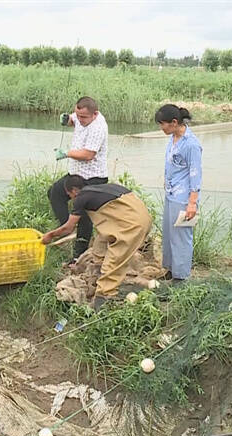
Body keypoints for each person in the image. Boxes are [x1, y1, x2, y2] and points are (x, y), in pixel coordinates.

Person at [41, 175, 151, 307]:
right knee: (101, 241)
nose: (70, 198)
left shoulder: (81, 197)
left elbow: (68, 228)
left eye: (69, 194)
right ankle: (99, 271)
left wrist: (50, 236)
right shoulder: (101, 190)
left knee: (115, 259)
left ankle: (103, 298)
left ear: (75, 190)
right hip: (140, 215)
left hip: (133, 224)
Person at [49, 96, 109, 261]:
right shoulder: (81, 115)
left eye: (83, 117)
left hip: (92, 177)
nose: (80, 119)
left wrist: (66, 153)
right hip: (76, 173)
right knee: (55, 192)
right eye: (78, 115)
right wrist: (68, 119)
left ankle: (78, 256)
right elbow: (73, 120)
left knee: (83, 215)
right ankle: (67, 227)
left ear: (95, 114)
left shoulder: (98, 128)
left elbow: (88, 155)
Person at [155, 104, 202, 282]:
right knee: (168, 234)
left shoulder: (191, 145)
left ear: (174, 122)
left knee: (181, 237)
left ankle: (181, 277)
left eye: (163, 124)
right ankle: (170, 269)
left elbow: (195, 174)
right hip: (171, 194)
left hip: (183, 198)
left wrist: (192, 203)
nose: (161, 128)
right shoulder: (173, 138)